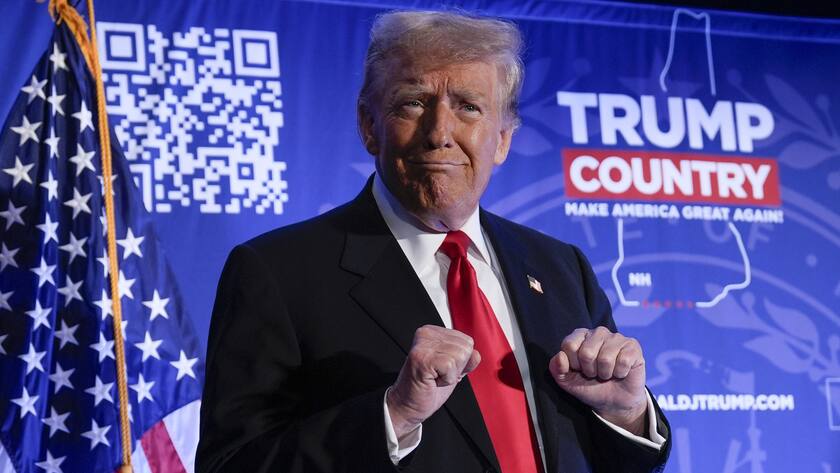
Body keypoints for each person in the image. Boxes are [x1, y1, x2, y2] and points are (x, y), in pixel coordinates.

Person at [196, 10, 671, 473]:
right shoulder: (276, 271)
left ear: (503, 139)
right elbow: (231, 463)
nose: (439, 133)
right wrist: (394, 415)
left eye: (468, 106)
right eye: (413, 103)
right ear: (368, 126)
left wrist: (625, 416)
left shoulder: (560, 266)